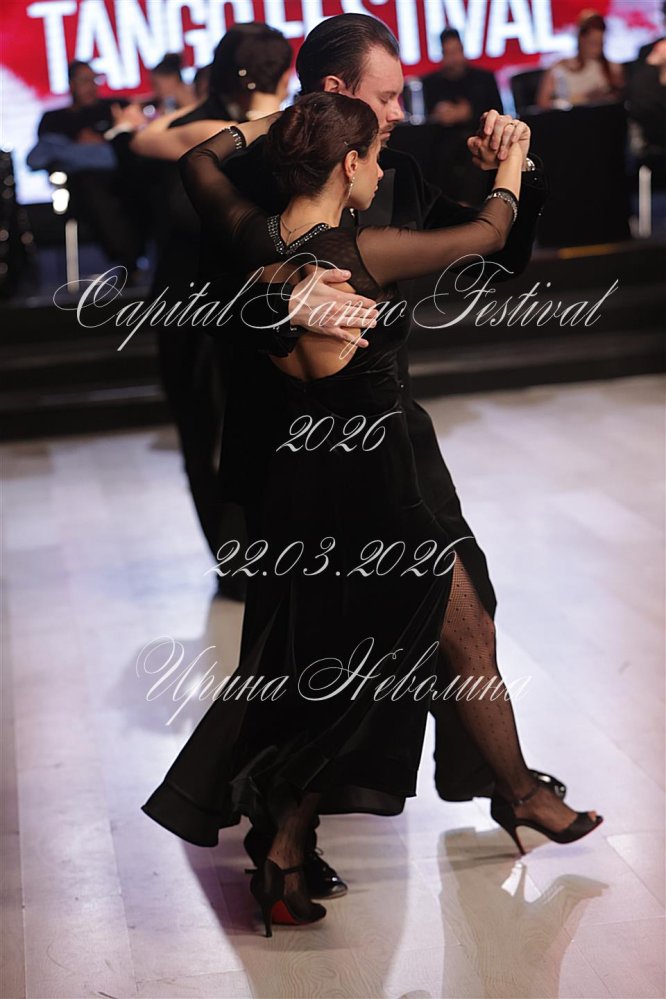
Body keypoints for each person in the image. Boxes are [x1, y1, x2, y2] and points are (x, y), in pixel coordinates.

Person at [141, 94, 603, 937]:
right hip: (383, 493)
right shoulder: (363, 251)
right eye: (374, 153)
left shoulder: (259, 239)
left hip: (307, 489)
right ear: (350, 164)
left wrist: (273, 122)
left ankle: (289, 852)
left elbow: (197, 162)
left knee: (346, 675)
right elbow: (490, 233)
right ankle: (320, 828)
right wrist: (513, 158)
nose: (384, 162)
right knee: (370, 682)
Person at [109, 25, 292, 599]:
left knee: (249, 430)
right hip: (199, 301)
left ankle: (259, 557)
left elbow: (141, 143)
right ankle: (238, 563)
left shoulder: (240, 128)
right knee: (209, 429)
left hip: (235, 301)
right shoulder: (221, 130)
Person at [30, 61, 144, 273]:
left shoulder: (116, 108)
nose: (91, 86)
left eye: (94, 80)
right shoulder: (55, 119)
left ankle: (137, 258)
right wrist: (84, 148)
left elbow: (136, 140)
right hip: (83, 185)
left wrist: (108, 137)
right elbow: (39, 158)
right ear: (71, 83)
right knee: (94, 188)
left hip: (127, 176)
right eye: (84, 80)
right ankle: (129, 259)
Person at [537, 10, 624, 109]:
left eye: (600, 44)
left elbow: (619, 98)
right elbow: (543, 103)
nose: (597, 49)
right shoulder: (559, 69)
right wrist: (580, 99)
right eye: (592, 43)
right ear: (581, 39)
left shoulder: (612, 68)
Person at [421, 28, 503, 125]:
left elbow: (499, 115)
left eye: (456, 51)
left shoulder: (485, 79)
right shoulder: (429, 84)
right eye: (448, 53)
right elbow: (422, 120)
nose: (454, 59)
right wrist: (437, 116)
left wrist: (470, 112)